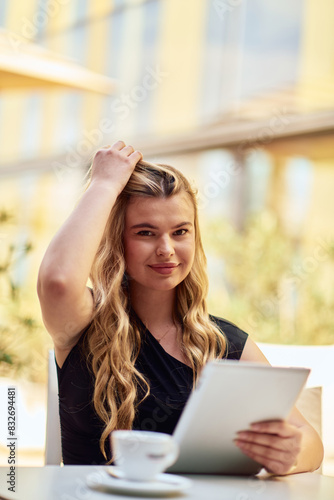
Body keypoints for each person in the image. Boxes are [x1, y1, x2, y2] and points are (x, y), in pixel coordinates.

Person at [37, 140, 323, 473]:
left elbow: (310, 441)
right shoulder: (84, 322)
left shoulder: (223, 342)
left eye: (180, 231)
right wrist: (104, 185)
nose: (166, 249)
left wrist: (290, 454)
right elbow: (58, 280)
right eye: (146, 232)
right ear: (117, 240)